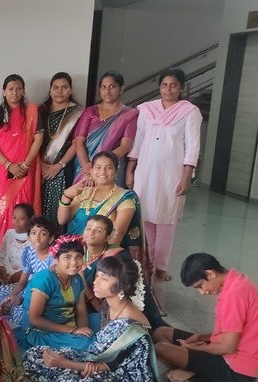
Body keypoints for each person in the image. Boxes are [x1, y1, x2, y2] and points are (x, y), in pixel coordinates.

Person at [24, 255, 183, 382]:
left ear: (123, 285)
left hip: (121, 377)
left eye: (105, 278)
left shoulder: (130, 323)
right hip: (95, 360)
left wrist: (64, 363)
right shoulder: (110, 304)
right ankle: (58, 379)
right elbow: (100, 353)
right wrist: (71, 363)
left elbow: (111, 366)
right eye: (98, 275)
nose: (96, 282)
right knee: (34, 355)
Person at [127, 68, 202, 282]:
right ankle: (147, 261)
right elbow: (138, 139)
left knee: (167, 220)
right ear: (159, 87)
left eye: (173, 85)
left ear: (181, 88)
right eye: (164, 85)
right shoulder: (146, 109)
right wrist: (131, 169)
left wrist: (187, 176)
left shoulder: (189, 112)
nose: (168, 89)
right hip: (145, 171)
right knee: (146, 217)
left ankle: (160, 266)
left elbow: (193, 145)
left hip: (171, 173)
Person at [155, 253, 258, 382]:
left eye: (200, 286)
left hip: (236, 368)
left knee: (160, 348)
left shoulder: (234, 295)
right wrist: (200, 338)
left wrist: (195, 349)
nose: (202, 292)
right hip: (225, 348)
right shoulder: (236, 280)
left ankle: (192, 368)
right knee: (161, 332)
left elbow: (228, 348)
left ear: (210, 274)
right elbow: (233, 332)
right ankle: (193, 365)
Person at [0, 74, 44, 259]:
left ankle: (25, 256)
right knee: (3, 212)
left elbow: (38, 139)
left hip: (25, 170)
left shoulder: (32, 112)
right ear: (4, 91)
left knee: (24, 209)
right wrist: (8, 165)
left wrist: (25, 165)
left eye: (18, 89)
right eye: (10, 89)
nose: (14, 92)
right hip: (2, 172)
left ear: (23, 91)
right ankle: (1, 255)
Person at [59, 151, 144, 263]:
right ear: (92, 170)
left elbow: (116, 235)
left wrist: (96, 263)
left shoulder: (124, 198)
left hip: (101, 258)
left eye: (108, 168)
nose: (102, 172)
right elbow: (62, 220)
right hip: (73, 253)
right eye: (98, 167)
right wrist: (66, 196)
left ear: (116, 171)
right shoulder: (84, 192)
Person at [13, 237, 91, 353]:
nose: (74, 262)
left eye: (79, 257)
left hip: (68, 327)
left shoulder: (77, 279)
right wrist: (73, 331)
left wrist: (83, 332)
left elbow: (81, 313)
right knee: (88, 345)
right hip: (41, 332)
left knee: (97, 324)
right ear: (55, 258)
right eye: (67, 257)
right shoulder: (44, 279)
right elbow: (34, 319)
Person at [0, 215, 56, 326]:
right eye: (33, 233)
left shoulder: (53, 259)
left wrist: (22, 300)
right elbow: (22, 282)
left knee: (19, 313)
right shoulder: (30, 252)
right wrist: (11, 297)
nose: (37, 238)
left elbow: (50, 290)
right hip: (28, 287)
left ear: (51, 238)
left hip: (43, 295)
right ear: (29, 236)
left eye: (43, 234)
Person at [71, 71, 138, 186]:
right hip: (84, 166)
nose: (107, 91)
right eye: (103, 87)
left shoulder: (129, 114)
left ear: (121, 89)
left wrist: (99, 165)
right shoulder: (90, 112)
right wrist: (87, 167)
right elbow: (79, 142)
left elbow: (125, 146)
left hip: (110, 167)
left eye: (112, 86)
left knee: (108, 197)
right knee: (81, 196)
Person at [39, 72, 83, 223]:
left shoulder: (78, 113)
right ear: (50, 90)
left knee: (56, 214)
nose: (60, 91)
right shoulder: (40, 112)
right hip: (38, 169)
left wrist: (58, 166)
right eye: (56, 87)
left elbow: (77, 143)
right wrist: (40, 165)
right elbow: (30, 141)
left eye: (64, 87)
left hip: (62, 172)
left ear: (70, 90)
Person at [0, 203, 33, 285]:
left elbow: (34, 263)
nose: (16, 221)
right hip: (7, 271)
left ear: (30, 221)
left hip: (24, 274)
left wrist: (20, 275)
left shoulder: (33, 238)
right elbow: (1, 255)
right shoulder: (9, 234)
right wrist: (2, 271)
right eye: (14, 218)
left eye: (22, 218)